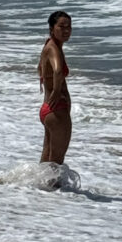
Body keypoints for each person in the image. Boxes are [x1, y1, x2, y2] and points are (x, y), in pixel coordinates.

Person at [37, 10, 72, 164]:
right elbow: (58, 71)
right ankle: (54, 188)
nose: (66, 30)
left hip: (48, 110)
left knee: (47, 159)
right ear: (52, 29)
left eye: (69, 27)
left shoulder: (49, 46)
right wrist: (57, 91)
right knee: (56, 162)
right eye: (61, 26)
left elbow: (42, 70)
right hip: (57, 111)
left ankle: (36, 189)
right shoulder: (53, 48)